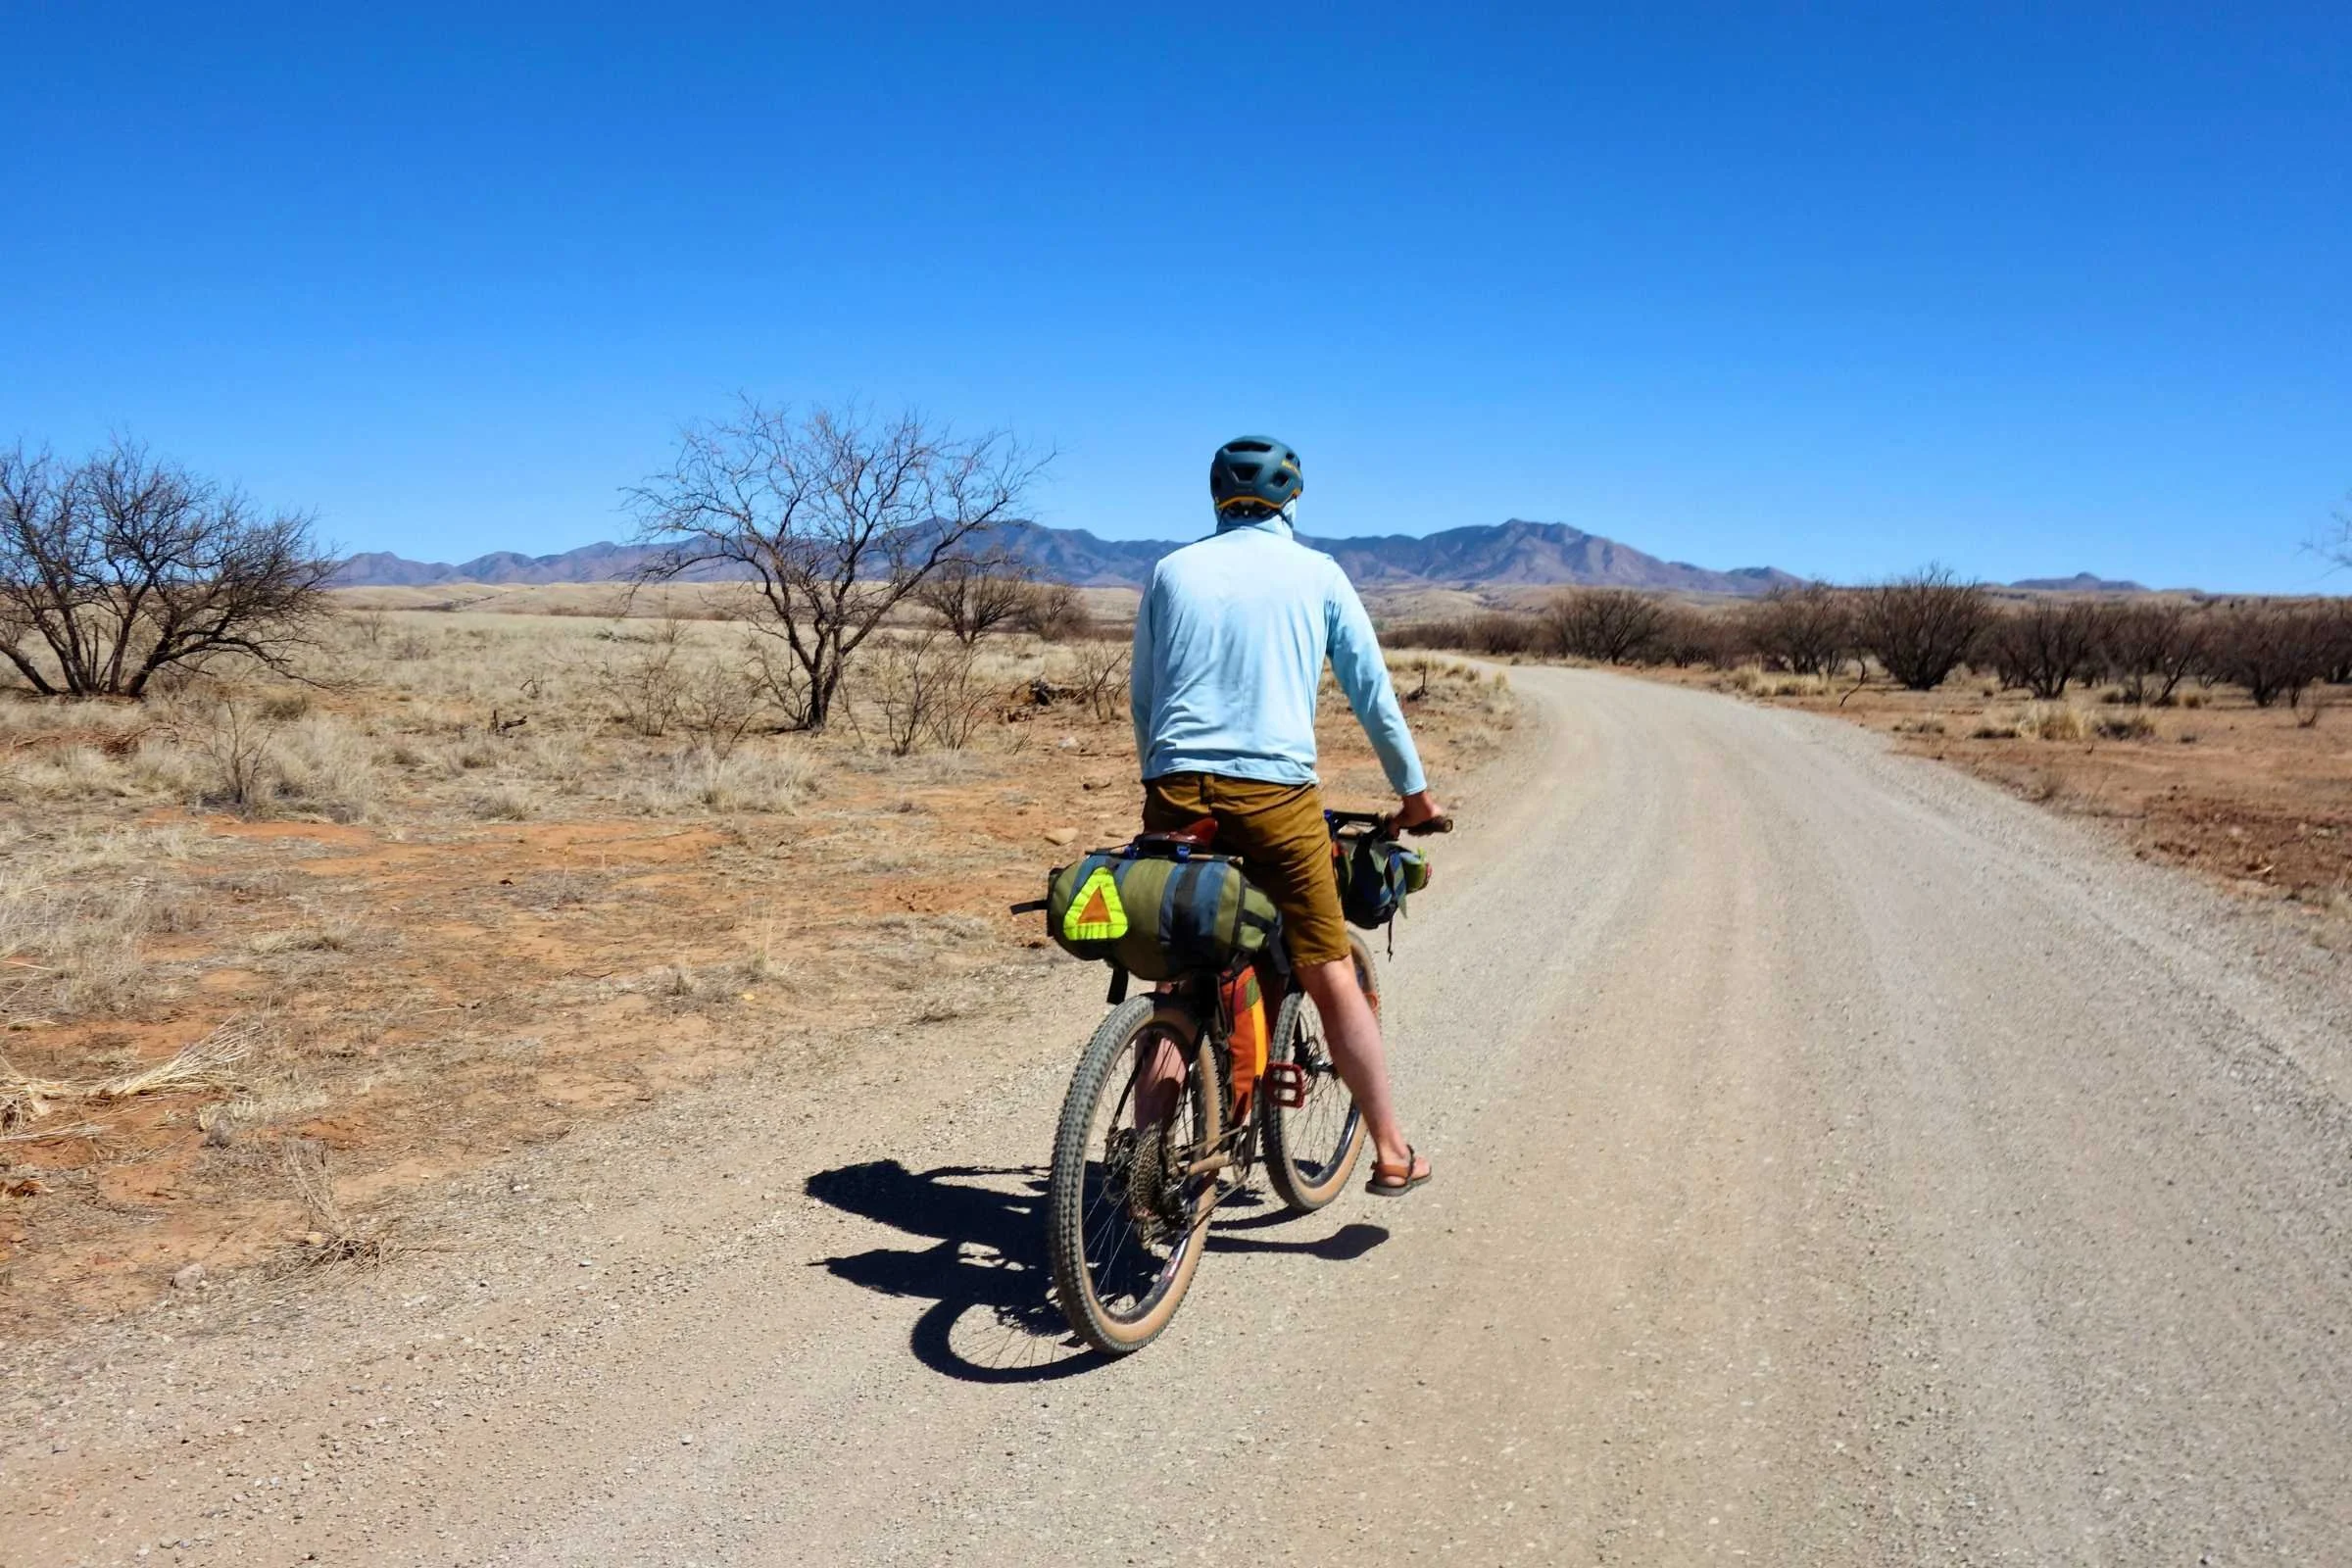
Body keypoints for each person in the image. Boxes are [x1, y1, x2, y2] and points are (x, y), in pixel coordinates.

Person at [1128, 435, 1440, 1197]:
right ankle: (1392, 1150)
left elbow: (1144, 696)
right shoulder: (1318, 574)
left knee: (1178, 977)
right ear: (1293, 498)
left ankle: (1141, 1160)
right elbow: (1373, 696)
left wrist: (1164, 774)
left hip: (1175, 788)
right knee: (1328, 967)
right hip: (1275, 796)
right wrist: (1415, 794)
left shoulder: (1172, 571)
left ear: (1215, 498)